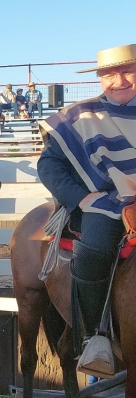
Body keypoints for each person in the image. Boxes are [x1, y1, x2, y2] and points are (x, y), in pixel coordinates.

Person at [37, 43, 136, 379]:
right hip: (106, 204)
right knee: (93, 248)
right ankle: (95, 338)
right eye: (109, 73)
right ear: (100, 78)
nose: (119, 80)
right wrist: (82, 199)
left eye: (128, 71)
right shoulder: (79, 116)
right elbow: (49, 166)